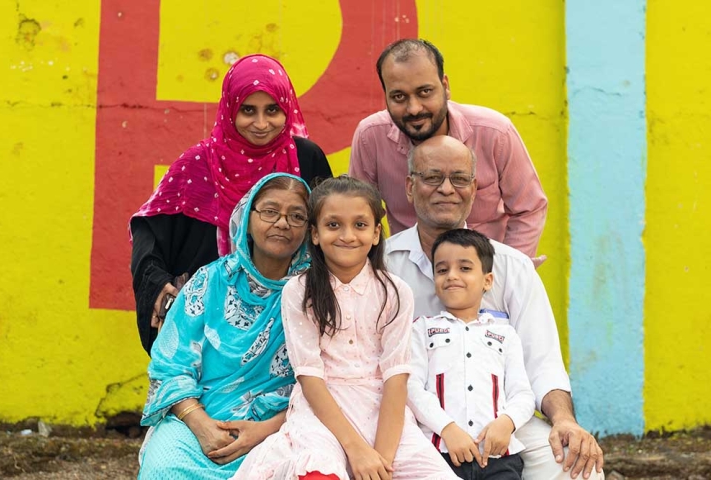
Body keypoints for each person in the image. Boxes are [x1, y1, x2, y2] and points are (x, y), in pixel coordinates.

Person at [386, 136, 604, 480]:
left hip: (498, 423)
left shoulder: (510, 266)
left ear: (473, 189)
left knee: (574, 466)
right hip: (408, 421)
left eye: (459, 178)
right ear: (410, 187)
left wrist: (564, 420)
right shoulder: (383, 264)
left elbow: (542, 362)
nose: (446, 188)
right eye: (432, 177)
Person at [232, 176, 456, 480]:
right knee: (319, 472)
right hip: (322, 411)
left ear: (377, 233)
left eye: (360, 225)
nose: (347, 235)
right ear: (314, 233)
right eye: (333, 225)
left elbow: (395, 377)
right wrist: (356, 449)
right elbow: (309, 376)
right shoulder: (299, 291)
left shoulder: (396, 291)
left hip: (383, 411)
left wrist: (382, 459)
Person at [130, 54, 333, 355]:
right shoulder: (198, 164)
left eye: (273, 110)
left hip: (288, 317)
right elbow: (150, 230)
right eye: (248, 110)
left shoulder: (305, 158)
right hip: (208, 323)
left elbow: (328, 226)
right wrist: (156, 283)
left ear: (286, 108)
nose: (261, 124)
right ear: (230, 109)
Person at [137, 173, 312, 479]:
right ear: (247, 216)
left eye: (297, 216)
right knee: (165, 469)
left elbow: (333, 380)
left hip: (282, 428)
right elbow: (171, 365)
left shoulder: (315, 294)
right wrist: (201, 425)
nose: (283, 223)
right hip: (197, 418)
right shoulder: (210, 281)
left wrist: (267, 430)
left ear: (310, 228)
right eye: (270, 211)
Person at [349, 38, 547, 262]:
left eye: (425, 92)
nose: (414, 108)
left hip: (484, 275)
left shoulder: (494, 133)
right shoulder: (370, 137)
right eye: (399, 97)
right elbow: (358, 214)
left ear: (446, 86)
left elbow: (529, 208)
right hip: (407, 277)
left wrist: (505, 272)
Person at [408, 228, 535, 479]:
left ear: (487, 280)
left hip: (499, 457)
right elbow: (411, 387)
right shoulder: (422, 329)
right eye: (442, 270)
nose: (452, 276)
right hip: (439, 454)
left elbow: (523, 393)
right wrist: (447, 429)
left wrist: (507, 422)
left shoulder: (505, 335)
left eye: (464, 268)